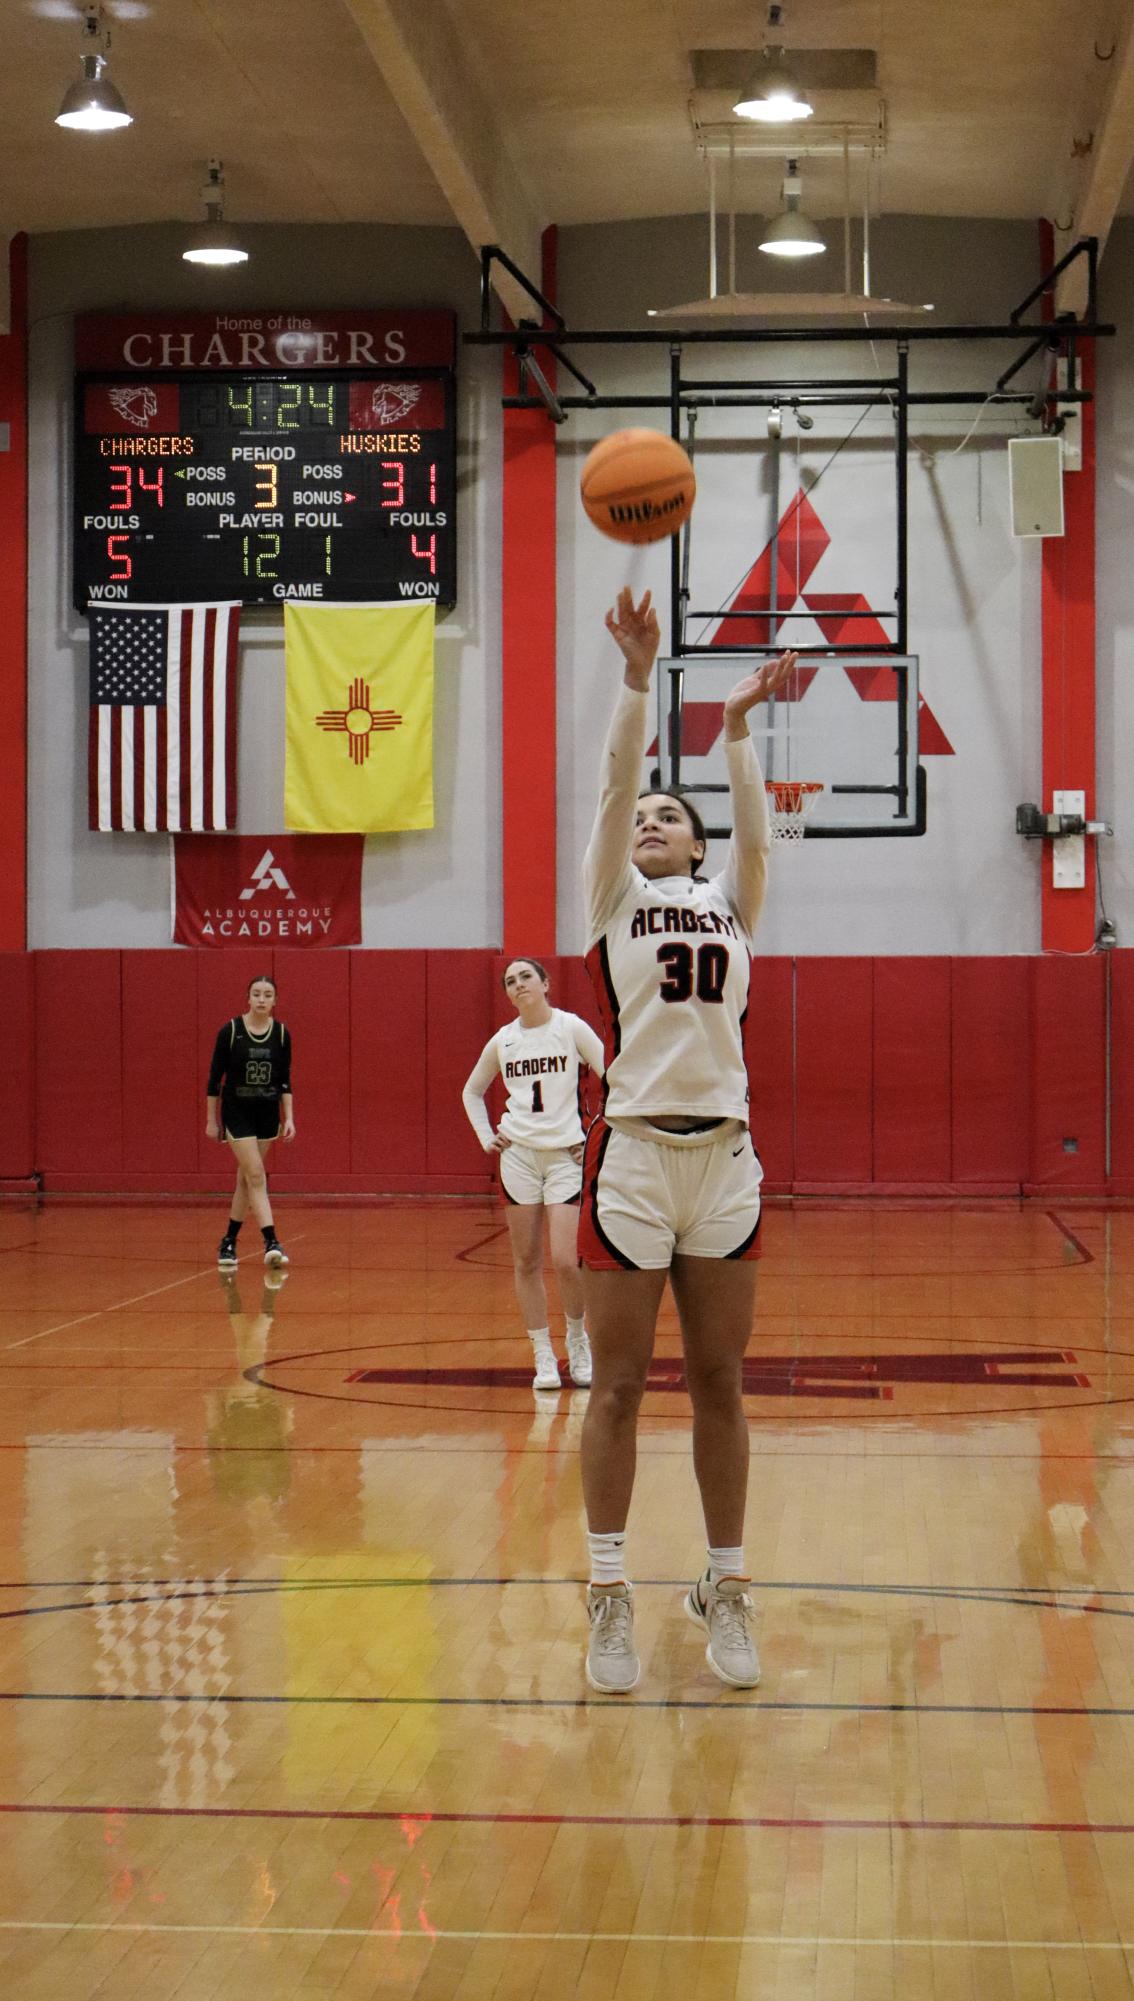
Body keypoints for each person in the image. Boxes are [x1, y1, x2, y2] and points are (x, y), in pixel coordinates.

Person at [578, 586, 796, 1694]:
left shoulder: (732, 900)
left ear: (701, 845)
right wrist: (636, 678)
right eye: (647, 817)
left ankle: (727, 1585)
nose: (654, 819)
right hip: (631, 1162)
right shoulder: (611, 896)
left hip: (727, 1165)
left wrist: (739, 731)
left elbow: (755, 834)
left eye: (674, 815)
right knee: (616, 1387)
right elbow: (618, 783)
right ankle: (608, 1595)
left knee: (720, 1380)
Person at [462, 957, 605, 1392]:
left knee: (566, 1260)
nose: (518, 985)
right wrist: (487, 1135)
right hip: (519, 1157)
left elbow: (614, 1078)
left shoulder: (571, 1028)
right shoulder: (503, 1041)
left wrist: (596, 1130)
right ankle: (542, 1353)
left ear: (545, 983)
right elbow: (471, 1091)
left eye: (526, 977)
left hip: (565, 1155)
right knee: (526, 1261)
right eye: (510, 981)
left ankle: (578, 1342)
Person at [206, 974, 295, 1269]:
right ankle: (271, 1240)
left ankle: (228, 1241)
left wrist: (290, 1117)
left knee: (246, 1179)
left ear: (275, 1001)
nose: (261, 999)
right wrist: (211, 1120)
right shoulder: (230, 1031)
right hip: (237, 1112)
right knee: (256, 1174)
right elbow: (214, 1080)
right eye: (256, 994)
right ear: (248, 998)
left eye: (267, 995)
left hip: (267, 1114)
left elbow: (284, 1081)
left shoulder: (281, 1035)